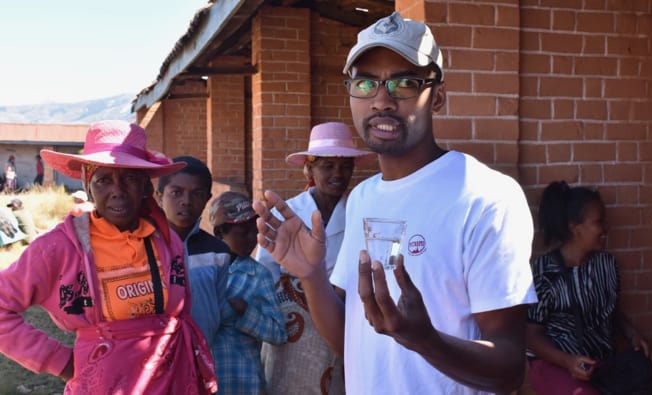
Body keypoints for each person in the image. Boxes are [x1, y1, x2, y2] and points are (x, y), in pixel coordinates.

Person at [252, 11, 536, 395]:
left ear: (437, 97)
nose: (381, 101)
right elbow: (350, 343)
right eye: (366, 83)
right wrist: (312, 275)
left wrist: (425, 340)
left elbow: (508, 369)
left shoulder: (486, 197)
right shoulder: (363, 198)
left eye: (404, 83)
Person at [0, 120, 217, 394]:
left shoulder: (164, 238)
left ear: (145, 187)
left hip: (173, 381)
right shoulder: (59, 248)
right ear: (88, 186)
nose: (118, 190)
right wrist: (61, 361)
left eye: (129, 178)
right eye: (104, 180)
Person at [255, 121, 372, 395]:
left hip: (342, 323)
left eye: (345, 166)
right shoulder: (289, 213)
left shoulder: (360, 213)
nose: (337, 174)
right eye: (327, 166)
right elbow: (265, 274)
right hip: (294, 331)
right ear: (309, 168)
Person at [526, 181, 652, 394]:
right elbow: (531, 335)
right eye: (598, 222)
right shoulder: (544, 271)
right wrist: (568, 361)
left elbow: (610, 312)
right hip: (555, 365)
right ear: (574, 227)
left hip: (599, 367)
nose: (605, 229)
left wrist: (632, 334)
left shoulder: (606, 264)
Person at [209, 191, 287, 394]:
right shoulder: (202, 269)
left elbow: (278, 333)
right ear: (219, 233)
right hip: (206, 379)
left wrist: (245, 311)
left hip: (244, 382)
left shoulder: (258, 275)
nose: (253, 238)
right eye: (244, 233)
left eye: (254, 230)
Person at [156, 155, 232, 348]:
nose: (186, 201)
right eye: (176, 193)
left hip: (203, 357)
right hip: (154, 361)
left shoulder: (218, 253)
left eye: (197, 194)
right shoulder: (144, 247)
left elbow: (218, 307)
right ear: (159, 196)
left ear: (207, 199)